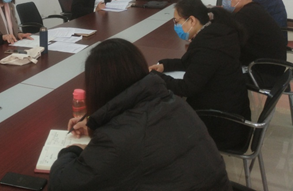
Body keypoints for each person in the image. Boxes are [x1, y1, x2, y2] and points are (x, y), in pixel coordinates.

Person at [49, 38, 231, 191]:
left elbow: (62, 184)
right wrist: (94, 125)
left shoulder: (118, 140)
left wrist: (73, 150)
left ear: (99, 88)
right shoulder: (172, 102)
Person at [149, 0, 250, 150]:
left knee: (158, 127)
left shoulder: (209, 47)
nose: (175, 25)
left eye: (177, 21)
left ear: (192, 20)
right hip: (229, 113)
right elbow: (190, 62)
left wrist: (156, 77)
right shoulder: (216, 35)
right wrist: (164, 66)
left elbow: (186, 88)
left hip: (222, 125)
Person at [221, 0, 287, 88]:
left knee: (216, 73)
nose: (224, 2)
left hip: (263, 73)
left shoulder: (247, 15)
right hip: (272, 68)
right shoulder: (254, 9)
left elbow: (227, 41)